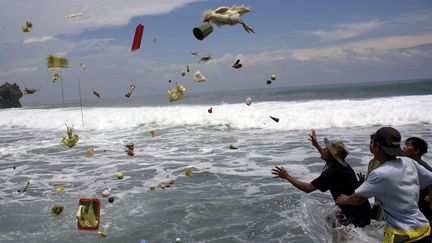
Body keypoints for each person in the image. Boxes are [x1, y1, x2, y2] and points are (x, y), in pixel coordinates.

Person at [336, 127, 432, 243]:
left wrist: (345, 199)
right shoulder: (409, 162)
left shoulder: (380, 173)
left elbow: (360, 198)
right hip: (423, 229)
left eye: (373, 143)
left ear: (377, 146)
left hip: (402, 235)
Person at [272, 130, 371, 235]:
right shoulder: (341, 166)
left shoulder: (332, 173)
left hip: (356, 214)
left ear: (332, 156)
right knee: (329, 220)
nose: (323, 149)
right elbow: (329, 158)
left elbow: (308, 188)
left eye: (326, 149)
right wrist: (316, 144)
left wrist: (287, 176)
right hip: (362, 209)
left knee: (340, 232)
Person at [404, 137, 432, 225]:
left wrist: (430, 197)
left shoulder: (421, 166)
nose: (403, 147)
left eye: (407, 145)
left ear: (416, 151)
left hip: (423, 203)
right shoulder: (409, 163)